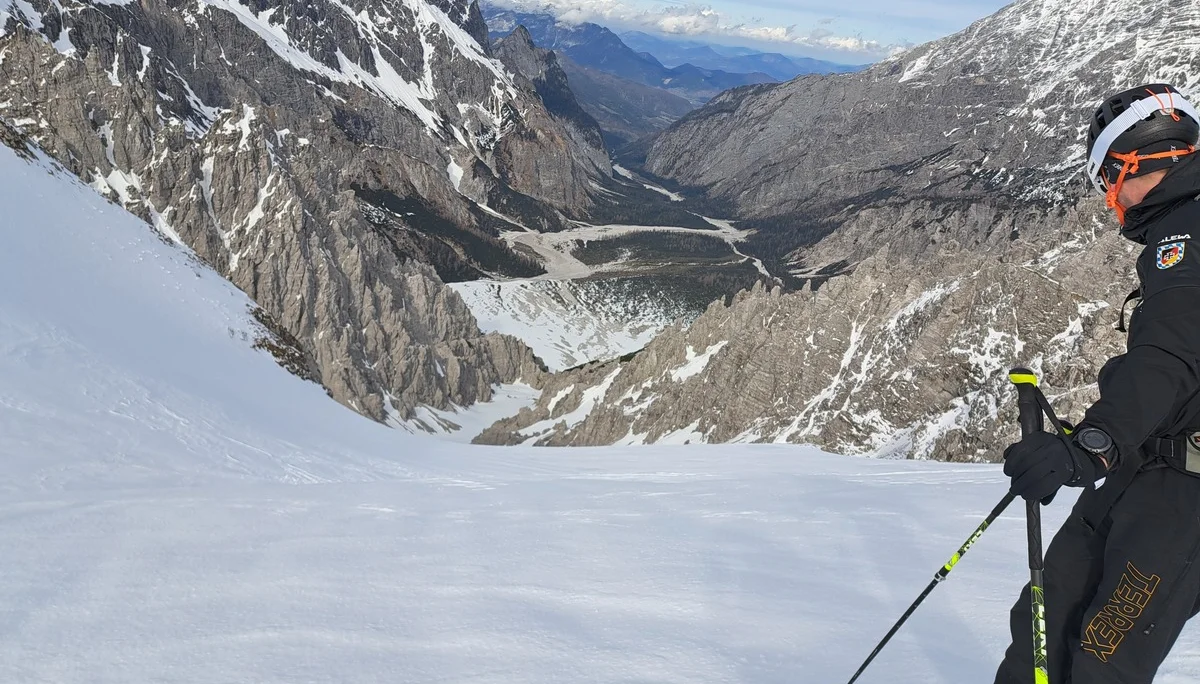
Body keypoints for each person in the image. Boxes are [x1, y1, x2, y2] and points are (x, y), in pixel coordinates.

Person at [994, 83, 1200, 683]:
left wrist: (1097, 442)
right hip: (1150, 465)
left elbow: (1172, 351)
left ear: (1132, 163)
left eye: (1107, 182)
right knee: (1045, 618)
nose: (1111, 202)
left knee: (1101, 661)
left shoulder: (1187, 234)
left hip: (1184, 496)